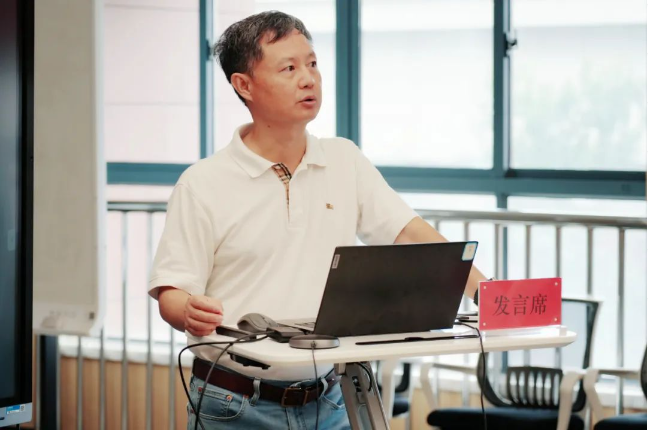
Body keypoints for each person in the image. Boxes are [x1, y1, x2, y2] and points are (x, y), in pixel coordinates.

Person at [148, 10, 489, 430]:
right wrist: (188, 310)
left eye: (312, 64)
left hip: (331, 398)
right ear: (244, 85)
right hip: (234, 403)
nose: (308, 79)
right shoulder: (203, 182)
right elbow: (171, 290)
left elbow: (406, 231)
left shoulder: (344, 159)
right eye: (289, 68)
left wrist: (485, 291)